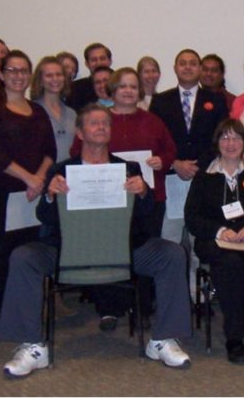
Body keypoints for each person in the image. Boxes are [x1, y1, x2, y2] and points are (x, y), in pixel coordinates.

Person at [0, 104, 193, 378]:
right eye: (94, 123)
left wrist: (144, 192)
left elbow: (146, 214)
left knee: (172, 254)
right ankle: (32, 347)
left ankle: (162, 339)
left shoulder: (128, 168)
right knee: (23, 256)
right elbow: (45, 216)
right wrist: (51, 195)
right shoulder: (61, 170)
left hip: (124, 251)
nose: (101, 127)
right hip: (67, 252)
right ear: (80, 131)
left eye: (106, 123)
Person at [68, 68, 178, 329]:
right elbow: (77, 152)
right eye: (122, 86)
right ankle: (109, 308)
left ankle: (142, 306)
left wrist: (162, 160)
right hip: (107, 202)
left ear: (139, 91)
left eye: (132, 86)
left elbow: (170, 149)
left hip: (148, 197)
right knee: (109, 251)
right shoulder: (99, 120)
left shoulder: (152, 120)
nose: (128, 91)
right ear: (112, 91)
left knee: (145, 251)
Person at [0, 50, 57, 336]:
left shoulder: (38, 109)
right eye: (12, 70)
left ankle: (23, 316)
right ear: (1, 74)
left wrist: (39, 179)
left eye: (23, 71)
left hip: (30, 198)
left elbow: (50, 151)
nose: (18, 76)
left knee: (27, 257)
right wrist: (28, 178)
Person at [185, 119, 244, 364]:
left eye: (236, 138)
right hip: (215, 243)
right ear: (217, 143)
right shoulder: (204, 177)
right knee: (231, 263)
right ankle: (234, 338)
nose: (231, 143)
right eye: (225, 137)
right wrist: (220, 230)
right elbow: (192, 217)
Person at [149, 49, 230, 243]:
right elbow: (153, 140)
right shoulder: (160, 101)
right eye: (183, 63)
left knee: (200, 240)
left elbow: (222, 139)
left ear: (200, 69)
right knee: (170, 237)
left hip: (204, 176)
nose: (187, 67)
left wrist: (198, 166)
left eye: (193, 63)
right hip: (171, 177)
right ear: (175, 68)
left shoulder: (216, 101)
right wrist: (174, 163)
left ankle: (197, 275)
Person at [31, 56, 76, 163]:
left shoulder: (72, 113)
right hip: (42, 175)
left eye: (59, 74)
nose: (55, 79)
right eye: (49, 75)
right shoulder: (32, 111)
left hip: (69, 174)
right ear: (40, 80)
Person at [67, 42, 112, 111]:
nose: (99, 63)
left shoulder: (121, 82)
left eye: (102, 58)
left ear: (110, 61)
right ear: (87, 64)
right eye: (94, 60)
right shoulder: (76, 89)